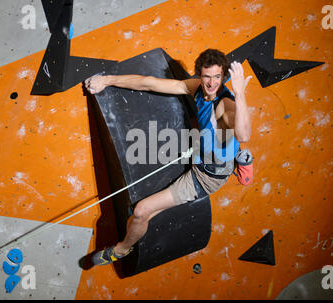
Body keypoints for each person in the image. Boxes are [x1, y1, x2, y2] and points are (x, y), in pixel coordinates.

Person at [84, 49, 251, 265]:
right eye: (206, 76)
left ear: (223, 77)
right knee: (144, 215)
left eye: (217, 77)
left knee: (141, 211)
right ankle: (236, 156)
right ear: (199, 74)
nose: (211, 83)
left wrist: (240, 94)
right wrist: (107, 80)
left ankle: (122, 249)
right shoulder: (197, 88)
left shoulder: (224, 105)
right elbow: (149, 83)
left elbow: (244, 134)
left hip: (205, 178)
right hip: (203, 154)